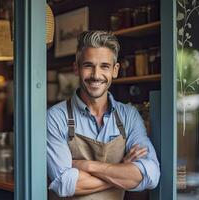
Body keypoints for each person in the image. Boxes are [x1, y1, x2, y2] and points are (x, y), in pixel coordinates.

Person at [47, 31, 160, 199]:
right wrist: (122, 169)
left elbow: (151, 175)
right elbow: (65, 183)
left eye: (104, 66)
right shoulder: (55, 117)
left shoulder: (129, 116)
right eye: (88, 65)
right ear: (76, 68)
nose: (96, 75)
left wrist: (89, 166)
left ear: (115, 70)